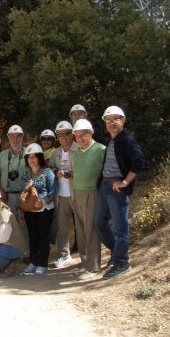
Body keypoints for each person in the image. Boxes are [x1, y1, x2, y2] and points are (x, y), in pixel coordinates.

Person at [95, 106, 145, 279]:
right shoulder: (111, 140)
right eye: (108, 120)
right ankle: (118, 254)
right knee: (99, 223)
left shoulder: (127, 140)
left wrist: (125, 182)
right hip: (105, 187)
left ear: (123, 121)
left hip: (117, 189)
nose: (112, 123)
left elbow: (139, 161)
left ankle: (121, 262)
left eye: (116, 119)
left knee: (120, 228)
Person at [72, 119, 105, 280]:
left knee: (91, 231)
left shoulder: (101, 149)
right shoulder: (77, 152)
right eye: (77, 135)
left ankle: (93, 267)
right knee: (81, 231)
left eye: (83, 134)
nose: (80, 138)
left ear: (91, 134)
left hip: (92, 194)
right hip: (77, 193)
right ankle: (85, 263)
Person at [20, 144, 56, 275]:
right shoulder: (26, 174)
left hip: (45, 210)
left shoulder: (48, 172)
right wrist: (27, 187)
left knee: (43, 237)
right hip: (30, 210)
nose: (31, 159)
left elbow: (53, 191)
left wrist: (43, 202)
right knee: (33, 237)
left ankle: (42, 264)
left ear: (39, 158)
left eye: (34, 156)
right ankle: (33, 262)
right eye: (29, 157)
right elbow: (22, 191)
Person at [49, 120, 79, 269]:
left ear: (72, 134)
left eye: (66, 133)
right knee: (62, 228)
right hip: (61, 196)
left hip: (77, 194)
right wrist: (56, 172)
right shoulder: (55, 153)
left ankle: (86, 257)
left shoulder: (79, 149)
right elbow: (51, 169)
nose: (63, 137)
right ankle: (63, 255)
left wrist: (71, 174)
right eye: (60, 135)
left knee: (82, 226)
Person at [0, 125, 27, 233]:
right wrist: (1, 190)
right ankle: (12, 248)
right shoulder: (2, 155)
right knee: (8, 225)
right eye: (12, 136)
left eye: (18, 136)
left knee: (24, 225)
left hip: (24, 196)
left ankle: (25, 249)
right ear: (8, 138)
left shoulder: (28, 153)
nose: (15, 139)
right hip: (7, 196)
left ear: (22, 137)